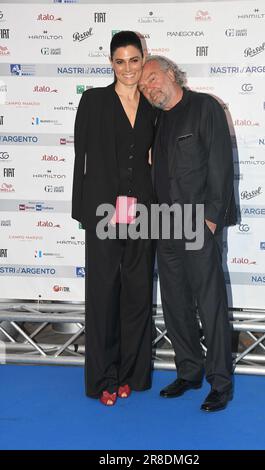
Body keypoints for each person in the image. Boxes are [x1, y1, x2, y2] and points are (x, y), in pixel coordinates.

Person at [139, 56, 237, 412]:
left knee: (210, 305)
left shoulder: (204, 107)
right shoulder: (157, 120)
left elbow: (220, 164)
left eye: (152, 78)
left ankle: (220, 383)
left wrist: (211, 219)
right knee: (175, 303)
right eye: (144, 86)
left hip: (198, 223)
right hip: (165, 224)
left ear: (170, 73)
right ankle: (189, 371)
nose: (149, 88)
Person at [72, 31, 156, 406]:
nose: (127, 69)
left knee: (137, 292)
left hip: (144, 211)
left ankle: (131, 373)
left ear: (143, 59)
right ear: (111, 63)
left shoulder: (154, 103)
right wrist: (83, 210)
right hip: (104, 211)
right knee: (103, 293)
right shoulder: (93, 100)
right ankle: (103, 377)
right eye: (120, 61)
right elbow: (80, 159)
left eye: (134, 60)